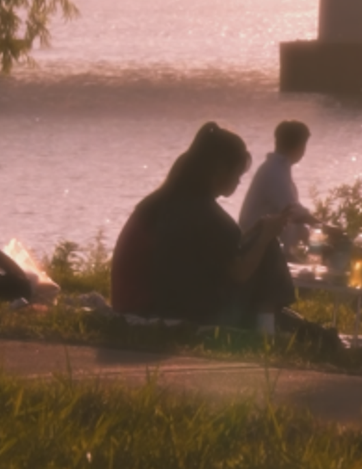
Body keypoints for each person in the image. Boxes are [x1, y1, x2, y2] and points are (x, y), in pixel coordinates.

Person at [111, 121, 294, 327]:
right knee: (267, 250)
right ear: (219, 171)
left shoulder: (168, 201)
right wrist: (266, 237)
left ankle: (274, 324)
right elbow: (239, 273)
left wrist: (254, 233)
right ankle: (267, 332)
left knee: (261, 245)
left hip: (134, 303)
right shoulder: (205, 213)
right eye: (237, 174)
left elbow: (207, 255)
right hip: (162, 309)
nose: (238, 182)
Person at [239, 119, 315, 254]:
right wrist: (323, 226)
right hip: (253, 248)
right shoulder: (275, 171)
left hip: (262, 246)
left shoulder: (277, 168)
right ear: (300, 147)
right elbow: (292, 211)